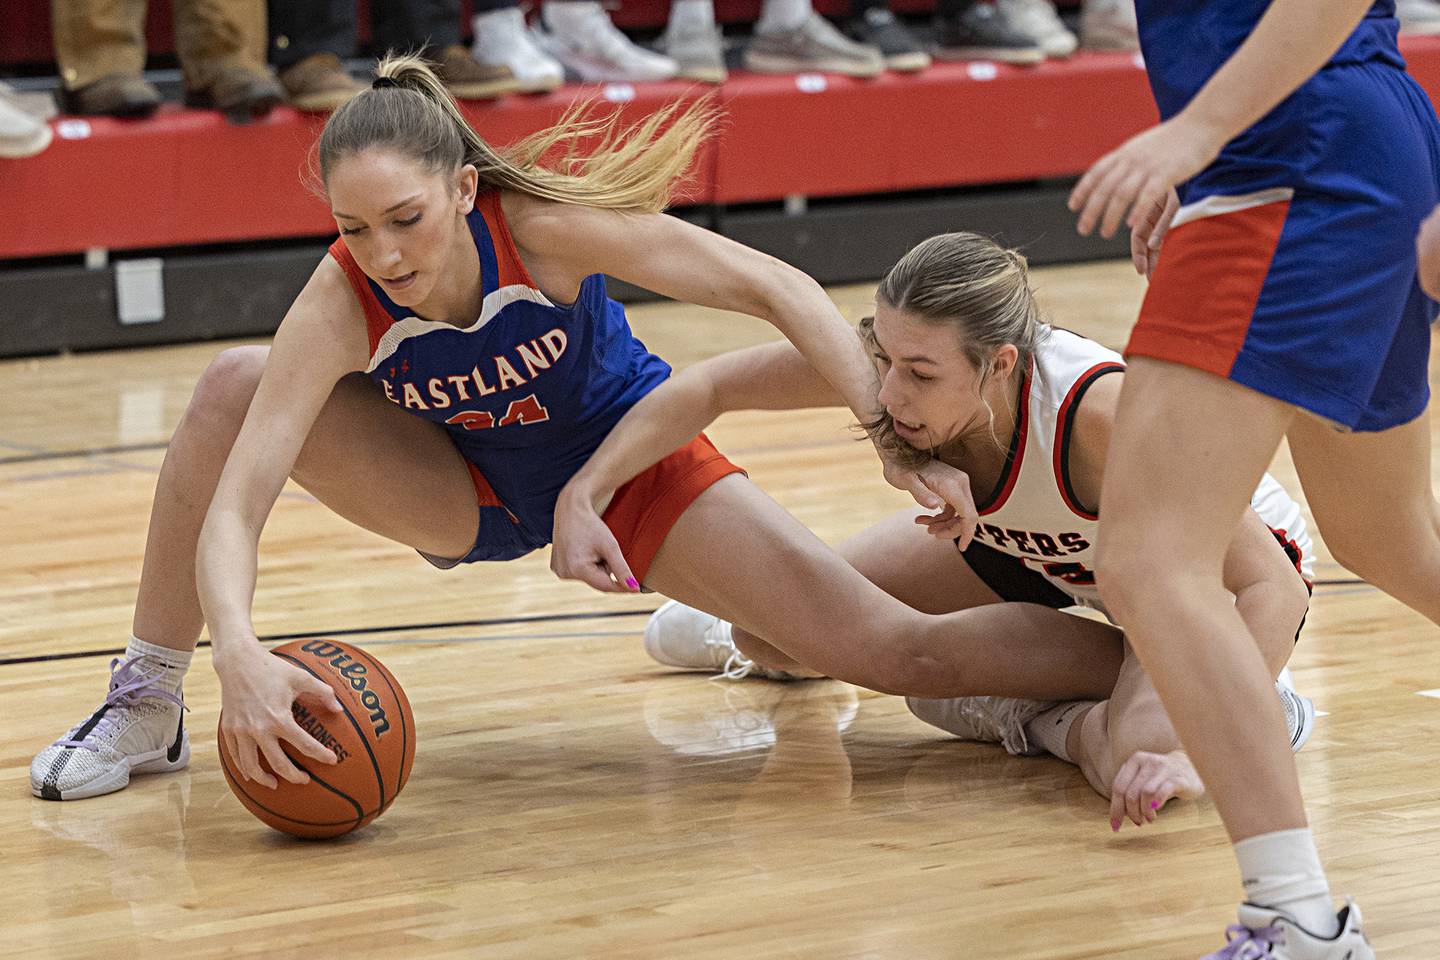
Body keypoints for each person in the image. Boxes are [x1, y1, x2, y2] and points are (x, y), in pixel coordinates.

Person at [30, 55, 1118, 803]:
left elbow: (775, 285)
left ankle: (1155, 667)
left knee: (878, 649)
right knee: (231, 384)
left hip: (625, 463)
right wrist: (243, 661)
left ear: (464, 190)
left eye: (406, 220)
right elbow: (238, 506)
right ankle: (145, 698)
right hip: (455, 486)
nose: (387, 254)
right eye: (354, 230)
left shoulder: (544, 233)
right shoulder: (341, 301)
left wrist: (891, 443)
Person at [553, 230, 1318, 828]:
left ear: (1001, 366)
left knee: (1144, 758)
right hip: (1036, 553)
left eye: (920, 374)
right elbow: (708, 385)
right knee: (774, 636)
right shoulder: (904, 362)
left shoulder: (1102, 420)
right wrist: (587, 489)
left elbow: (1271, 581)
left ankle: (1196, 708)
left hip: (1189, 587)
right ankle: (1104, 680)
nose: (888, 392)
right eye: (883, 357)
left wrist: (1210, 736)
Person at [1067, 0, 1440, 954]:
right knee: (1384, 537)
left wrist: (1200, 129)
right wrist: (1203, 148)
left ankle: (1295, 918)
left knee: (1150, 560)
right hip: (1327, 145)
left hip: (1297, 158)